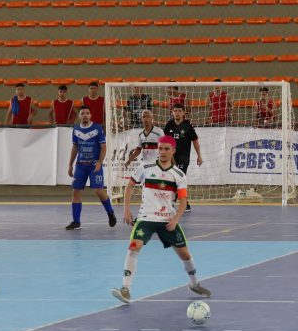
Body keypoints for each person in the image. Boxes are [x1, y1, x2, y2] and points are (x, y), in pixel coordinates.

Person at [111, 134, 212, 304]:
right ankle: (125, 289)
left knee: (185, 255)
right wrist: (126, 210)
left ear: (173, 150)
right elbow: (129, 187)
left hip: (167, 221)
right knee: (134, 247)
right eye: (160, 148)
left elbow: (183, 201)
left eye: (166, 149)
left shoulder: (179, 175)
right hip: (146, 218)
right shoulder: (145, 167)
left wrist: (176, 220)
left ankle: (194, 284)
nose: (163, 152)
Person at [66, 105, 117, 230]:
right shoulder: (76, 129)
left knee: (98, 191)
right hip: (80, 165)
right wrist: (70, 164)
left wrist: (100, 162)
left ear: (90, 115)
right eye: (82, 113)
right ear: (79, 116)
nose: (85, 115)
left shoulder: (97, 128)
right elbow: (75, 147)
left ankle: (110, 213)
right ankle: (76, 221)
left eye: (87, 113)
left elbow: (103, 147)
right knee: (75, 191)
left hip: (94, 165)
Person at [163, 103, 203, 213]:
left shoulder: (187, 125)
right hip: (171, 158)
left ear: (183, 113)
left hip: (183, 158)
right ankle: (175, 201)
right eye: (175, 111)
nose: (177, 113)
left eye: (179, 111)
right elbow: (164, 142)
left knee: (179, 179)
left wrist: (199, 156)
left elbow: (195, 141)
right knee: (170, 179)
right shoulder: (169, 125)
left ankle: (183, 203)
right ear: (172, 112)